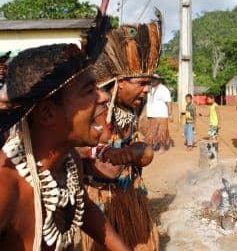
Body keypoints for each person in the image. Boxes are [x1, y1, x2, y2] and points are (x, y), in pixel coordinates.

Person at [0, 42, 129, 250]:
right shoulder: (5, 184)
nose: (104, 96)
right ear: (48, 113)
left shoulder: (70, 162)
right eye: (89, 91)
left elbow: (82, 206)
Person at [81, 16, 162, 250]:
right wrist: (98, 154)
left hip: (131, 198)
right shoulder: (93, 110)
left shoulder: (131, 110)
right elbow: (76, 151)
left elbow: (144, 153)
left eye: (149, 83)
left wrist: (135, 153)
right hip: (101, 205)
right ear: (119, 83)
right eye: (141, 83)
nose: (146, 90)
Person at [142, 73, 173, 153]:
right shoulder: (149, 89)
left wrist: (170, 114)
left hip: (161, 115)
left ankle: (162, 148)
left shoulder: (164, 89)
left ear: (159, 80)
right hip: (151, 115)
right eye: (152, 78)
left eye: (155, 79)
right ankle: (151, 147)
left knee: (161, 133)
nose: (153, 80)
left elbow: (168, 102)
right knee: (150, 132)